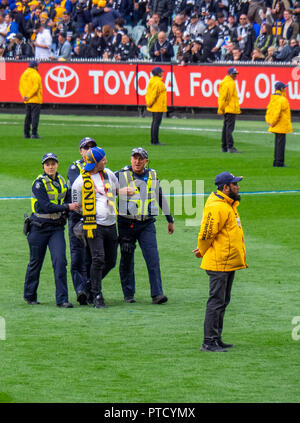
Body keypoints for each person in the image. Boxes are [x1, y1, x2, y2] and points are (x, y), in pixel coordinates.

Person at [193, 171, 247, 352]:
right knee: (216, 302)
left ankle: (216, 338)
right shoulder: (218, 206)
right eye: (234, 184)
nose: (238, 187)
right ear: (225, 188)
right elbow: (206, 234)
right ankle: (208, 342)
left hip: (227, 261)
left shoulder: (228, 204)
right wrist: (202, 250)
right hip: (219, 263)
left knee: (223, 301)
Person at [115, 147, 174, 304]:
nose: (137, 161)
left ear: (146, 161)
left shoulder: (152, 175)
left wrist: (170, 219)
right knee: (127, 258)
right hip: (126, 223)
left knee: (152, 258)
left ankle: (157, 294)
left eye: (141, 158)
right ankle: (128, 294)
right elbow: (104, 189)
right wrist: (118, 191)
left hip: (147, 223)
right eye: (135, 158)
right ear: (130, 159)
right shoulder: (120, 175)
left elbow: (159, 195)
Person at [24, 153, 81, 307]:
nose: (50, 167)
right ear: (43, 166)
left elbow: (68, 199)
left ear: (57, 165)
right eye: (47, 164)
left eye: (53, 164)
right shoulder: (39, 184)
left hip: (56, 228)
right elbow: (46, 206)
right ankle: (30, 295)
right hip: (39, 228)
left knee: (60, 261)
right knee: (36, 262)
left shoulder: (62, 181)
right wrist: (67, 207)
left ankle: (62, 300)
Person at [71, 147, 119, 308]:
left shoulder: (109, 174)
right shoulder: (80, 182)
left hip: (111, 224)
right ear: (95, 162)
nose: (106, 161)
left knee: (111, 261)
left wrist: (123, 192)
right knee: (98, 259)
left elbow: (115, 190)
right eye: (103, 159)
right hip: (94, 225)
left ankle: (88, 287)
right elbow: (77, 205)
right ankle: (97, 295)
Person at [67, 137, 97, 305]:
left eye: (92, 147)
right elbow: (77, 186)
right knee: (78, 255)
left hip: (95, 217)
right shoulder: (75, 167)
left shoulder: (101, 168)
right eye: (86, 147)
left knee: (94, 257)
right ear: (80, 151)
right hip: (77, 217)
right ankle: (80, 290)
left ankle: (91, 288)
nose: (89, 150)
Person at [265, 81, 292, 167]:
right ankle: (279, 162)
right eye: (284, 88)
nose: (285, 89)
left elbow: (269, 111)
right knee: (280, 145)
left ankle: (276, 161)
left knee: (277, 144)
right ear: (281, 89)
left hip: (276, 125)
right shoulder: (282, 99)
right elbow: (277, 113)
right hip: (281, 125)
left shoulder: (273, 98)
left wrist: (269, 121)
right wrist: (272, 122)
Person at [217, 67, 241, 153]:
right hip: (230, 108)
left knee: (225, 127)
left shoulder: (226, 82)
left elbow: (223, 97)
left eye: (236, 74)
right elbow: (226, 98)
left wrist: (222, 108)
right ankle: (230, 147)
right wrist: (222, 108)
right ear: (229, 74)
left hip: (227, 108)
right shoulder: (230, 83)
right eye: (234, 74)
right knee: (229, 128)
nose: (235, 76)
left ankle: (224, 146)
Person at [19, 60, 43, 139]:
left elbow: (20, 86)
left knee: (27, 117)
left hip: (27, 100)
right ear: (35, 66)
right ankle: (34, 133)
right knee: (35, 117)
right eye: (37, 66)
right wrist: (29, 96)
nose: (38, 67)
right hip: (35, 99)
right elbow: (35, 87)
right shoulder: (35, 75)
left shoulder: (24, 74)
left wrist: (25, 96)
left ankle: (26, 134)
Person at [145, 66, 167, 146]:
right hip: (158, 105)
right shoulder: (158, 83)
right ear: (158, 73)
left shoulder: (152, 81)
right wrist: (150, 103)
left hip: (155, 105)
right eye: (161, 72)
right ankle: (155, 141)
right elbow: (154, 95)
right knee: (156, 123)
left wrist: (149, 102)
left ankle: (154, 140)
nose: (162, 73)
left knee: (154, 123)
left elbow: (149, 93)